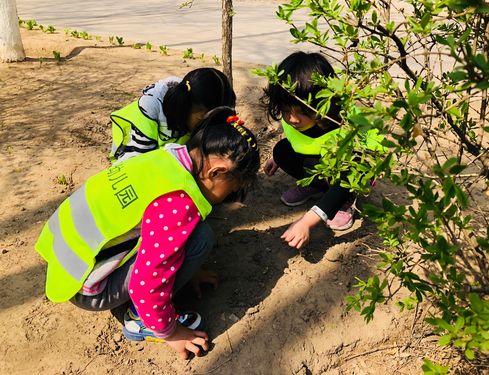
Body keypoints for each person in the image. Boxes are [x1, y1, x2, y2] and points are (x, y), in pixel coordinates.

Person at [35, 106, 260, 359]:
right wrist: (171, 332)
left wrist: (189, 270)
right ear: (216, 172)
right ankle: (139, 319)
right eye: (232, 189)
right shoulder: (178, 202)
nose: (228, 196)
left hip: (63, 257)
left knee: (185, 238)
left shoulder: (165, 158)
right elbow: (148, 280)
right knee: (201, 237)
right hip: (87, 289)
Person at [261, 51, 382, 249]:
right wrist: (279, 158)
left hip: (350, 172)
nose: (293, 119)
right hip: (320, 163)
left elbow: (362, 166)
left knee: (348, 173)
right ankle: (316, 186)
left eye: (303, 111)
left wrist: (307, 221)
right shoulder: (293, 118)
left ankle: (343, 201)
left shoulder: (344, 122)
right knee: (282, 151)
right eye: (286, 110)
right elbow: (294, 135)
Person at [110, 68, 236, 163]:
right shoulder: (150, 109)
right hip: (131, 160)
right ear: (190, 107)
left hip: (166, 159)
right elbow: (134, 166)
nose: (210, 127)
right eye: (208, 121)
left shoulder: (192, 109)